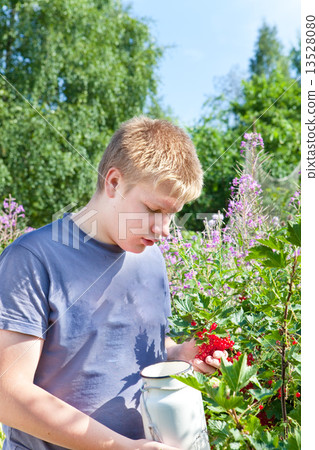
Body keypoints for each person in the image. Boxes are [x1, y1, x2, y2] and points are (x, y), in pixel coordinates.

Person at [0, 117, 226, 450]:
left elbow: (130, 348)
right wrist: (120, 447)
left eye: (173, 214)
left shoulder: (151, 260)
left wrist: (180, 354)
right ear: (114, 182)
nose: (164, 230)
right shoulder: (33, 258)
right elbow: (7, 394)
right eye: (153, 209)